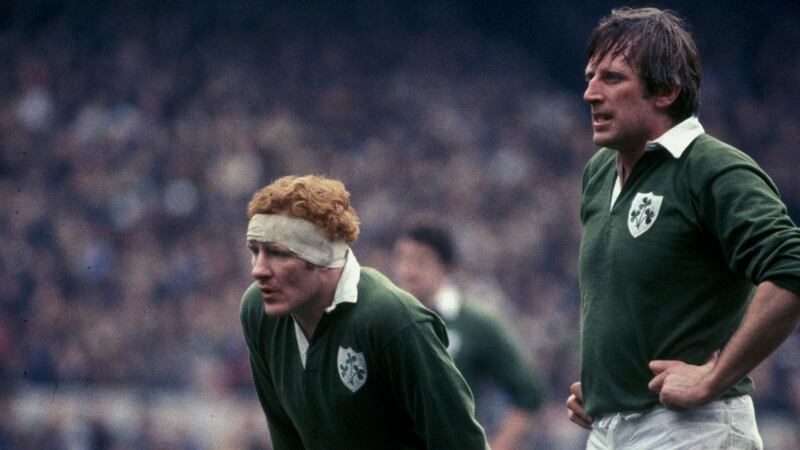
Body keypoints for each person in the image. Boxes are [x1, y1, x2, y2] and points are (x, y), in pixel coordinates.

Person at [566, 7, 800, 449]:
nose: (590, 94)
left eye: (612, 78)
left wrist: (713, 377)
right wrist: (606, 388)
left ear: (667, 91)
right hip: (609, 430)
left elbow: (792, 265)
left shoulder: (712, 168)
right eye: (590, 77)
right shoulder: (598, 172)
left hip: (693, 428)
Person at [239, 175, 488, 450]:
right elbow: (285, 436)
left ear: (321, 257)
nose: (258, 270)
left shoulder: (392, 319)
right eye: (255, 251)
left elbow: (462, 443)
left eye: (277, 253)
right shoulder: (258, 310)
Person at [393, 224, 543, 450]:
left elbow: (528, 393)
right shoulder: (385, 320)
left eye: (420, 261)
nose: (407, 271)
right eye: (402, 258)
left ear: (445, 267)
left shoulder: (474, 324)